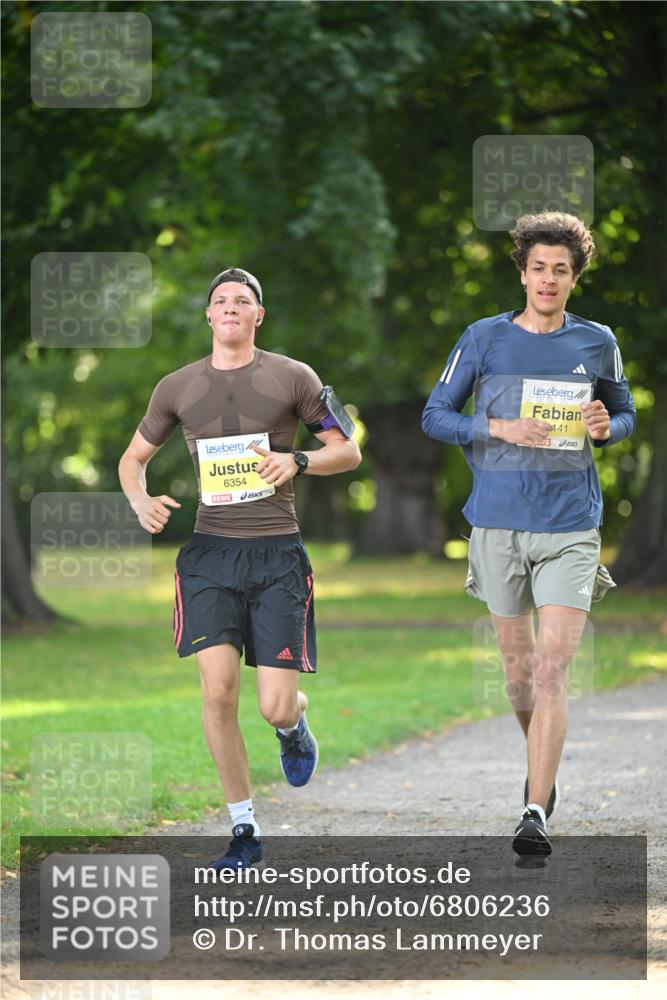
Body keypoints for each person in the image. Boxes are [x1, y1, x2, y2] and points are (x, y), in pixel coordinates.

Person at [119, 266, 361, 870]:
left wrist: (298, 460)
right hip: (209, 557)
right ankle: (243, 827)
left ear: (258, 315)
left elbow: (348, 450)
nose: (230, 307)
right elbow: (133, 459)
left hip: (278, 555)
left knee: (274, 705)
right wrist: (140, 501)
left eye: (243, 300)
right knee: (218, 691)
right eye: (221, 300)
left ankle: (293, 726)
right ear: (208, 315)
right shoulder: (176, 386)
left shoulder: (294, 376)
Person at [422, 212, 636, 855]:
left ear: (574, 278)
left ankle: (533, 810)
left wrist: (607, 427)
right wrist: (497, 427)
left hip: (571, 525)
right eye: (538, 267)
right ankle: (543, 771)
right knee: (519, 677)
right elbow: (435, 415)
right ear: (522, 273)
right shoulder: (483, 337)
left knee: (550, 672)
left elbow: (623, 412)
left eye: (560, 270)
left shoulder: (597, 341)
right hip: (497, 524)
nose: (548, 279)